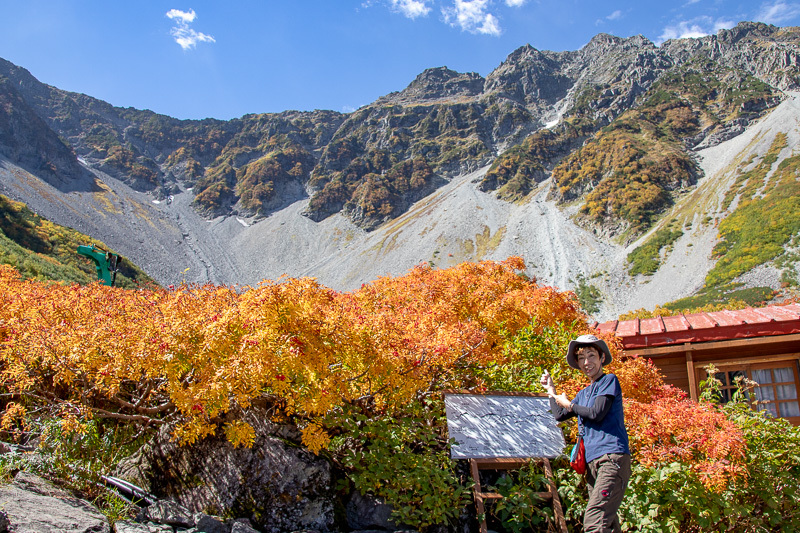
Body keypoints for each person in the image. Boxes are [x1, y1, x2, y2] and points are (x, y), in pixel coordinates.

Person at [539, 334, 631, 533]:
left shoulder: (609, 381)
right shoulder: (583, 394)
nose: (587, 362)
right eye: (581, 358)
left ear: (602, 358)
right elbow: (560, 415)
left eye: (591, 356)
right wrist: (551, 391)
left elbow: (596, 413)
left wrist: (570, 404)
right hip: (592, 463)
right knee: (608, 522)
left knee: (594, 519)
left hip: (612, 458)